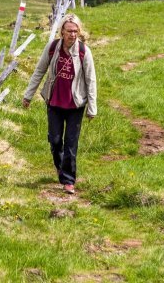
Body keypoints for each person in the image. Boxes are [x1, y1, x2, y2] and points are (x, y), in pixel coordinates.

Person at [22, 13, 97, 194]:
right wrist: (28, 96)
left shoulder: (84, 52)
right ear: (62, 31)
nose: (72, 34)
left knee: (71, 143)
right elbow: (39, 72)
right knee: (55, 141)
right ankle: (60, 166)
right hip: (54, 101)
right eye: (69, 31)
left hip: (75, 104)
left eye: (76, 31)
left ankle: (68, 180)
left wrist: (92, 108)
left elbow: (91, 80)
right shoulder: (53, 47)